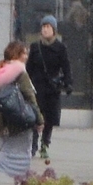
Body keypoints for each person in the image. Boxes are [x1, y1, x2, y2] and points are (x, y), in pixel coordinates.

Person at [0, 39, 41, 183]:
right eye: (24, 53)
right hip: (20, 121)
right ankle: (20, 181)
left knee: (5, 150)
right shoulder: (20, 72)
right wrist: (39, 120)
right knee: (23, 154)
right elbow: (30, 97)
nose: (27, 57)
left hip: (3, 122)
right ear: (17, 55)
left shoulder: (1, 71)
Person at [25, 19, 70, 160]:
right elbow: (29, 69)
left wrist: (68, 83)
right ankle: (33, 145)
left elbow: (66, 68)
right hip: (37, 88)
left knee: (49, 119)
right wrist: (26, 85)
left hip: (52, 89)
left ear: (54, 30)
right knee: (35, 117)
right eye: (43, 27)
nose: (45, 30)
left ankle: (45, 144)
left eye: (48, 27)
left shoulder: (60, 48)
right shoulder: (35, 47)